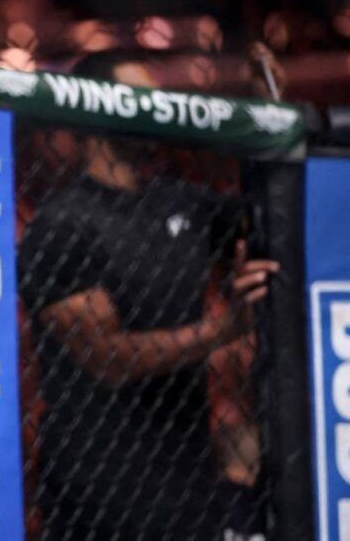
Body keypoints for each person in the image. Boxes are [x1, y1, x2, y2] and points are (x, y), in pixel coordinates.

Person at [18, 51, 280, 540]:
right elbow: (106, 358)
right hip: (97, 490)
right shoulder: (62, 226)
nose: (154, 111)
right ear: (97, 113)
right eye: (140, 100)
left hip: (189, 473)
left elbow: (273, 224)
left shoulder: (181, 202)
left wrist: (265, 123)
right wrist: (225, 328)